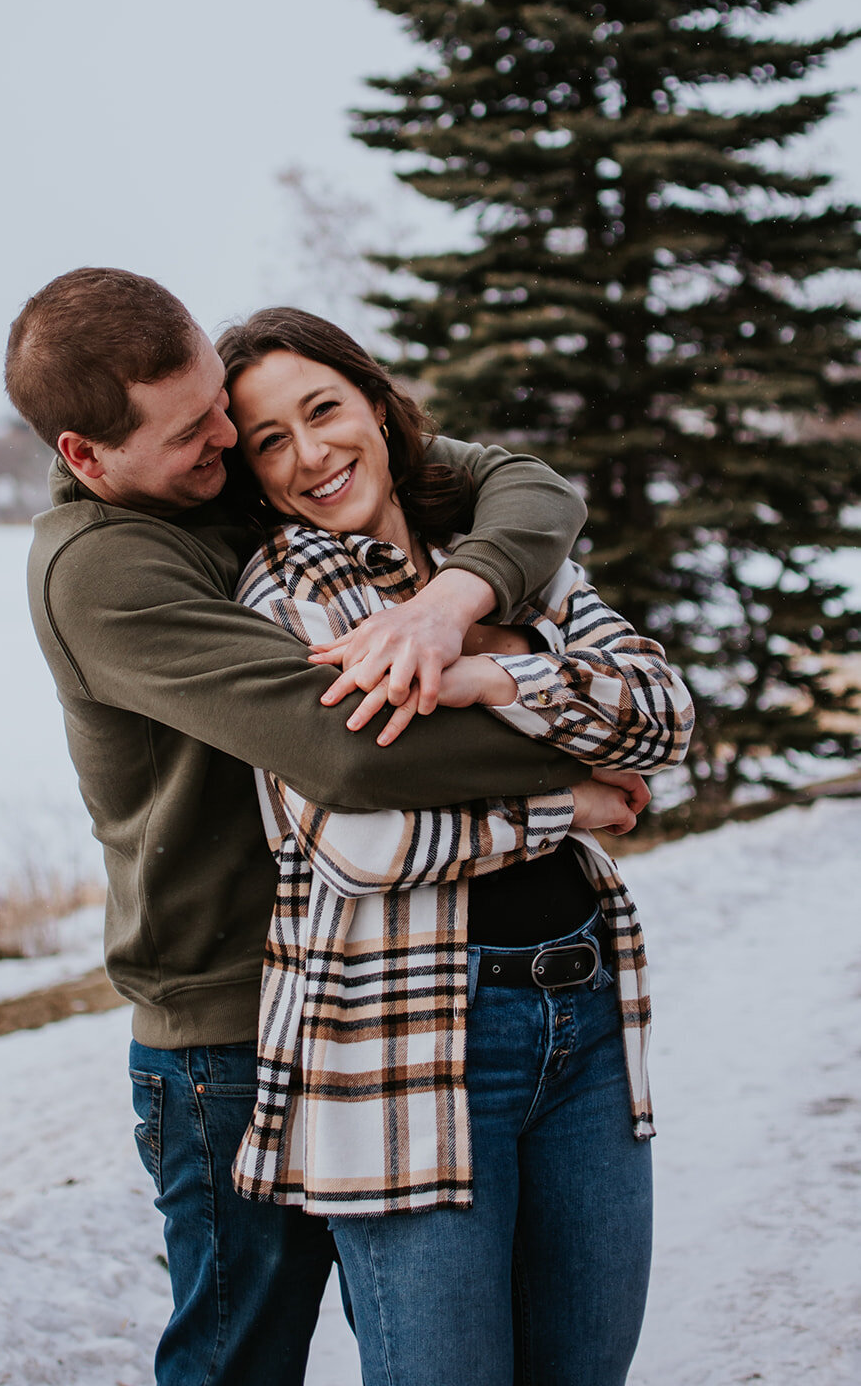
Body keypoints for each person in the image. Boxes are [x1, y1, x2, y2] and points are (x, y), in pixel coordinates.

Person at [3, 266, 604, 1386]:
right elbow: (341, 747)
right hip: (227, 1030)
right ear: (88, 454)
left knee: (439, 1345)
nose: (228, 440)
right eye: (192, 431)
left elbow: (527, 485)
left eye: (219, 407)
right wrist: (579, 763)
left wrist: (453, 597)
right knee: (243, 1359)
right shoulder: (100, 570)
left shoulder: (228, 466)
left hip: (362, 993)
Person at [216, 307, 694, 1386]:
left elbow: (662, 715)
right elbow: (352, 837)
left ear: (376, 405)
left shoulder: (498, 551)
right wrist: (571, 802)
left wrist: (490, 669)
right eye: (269, 440)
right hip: (397, 1047)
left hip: (582, 1015)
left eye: (322, 409)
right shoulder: (284, 596)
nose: (311, 453)